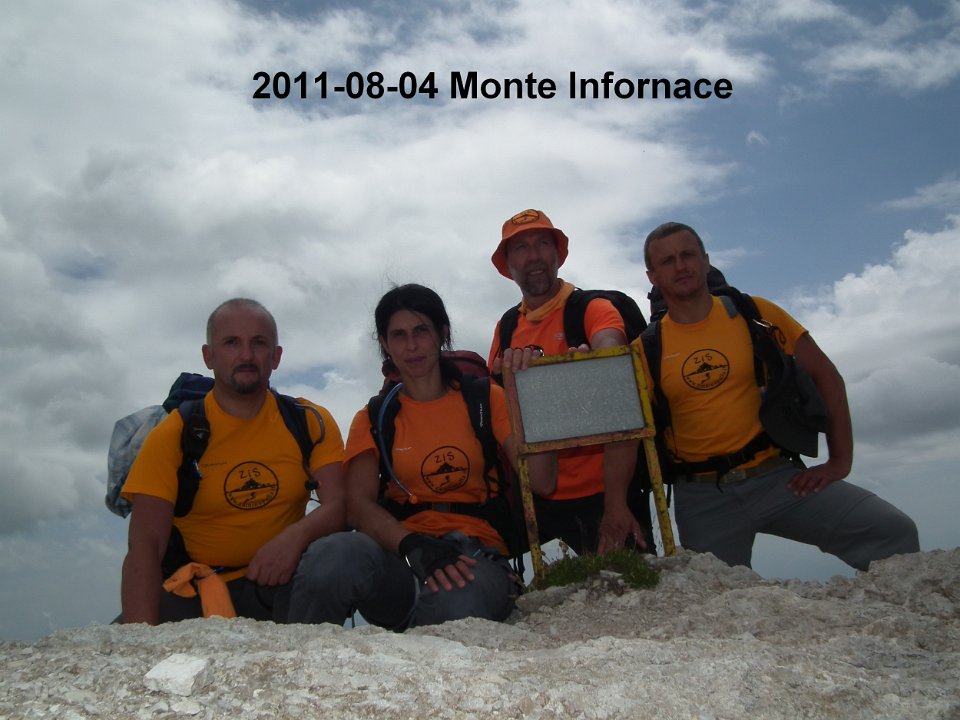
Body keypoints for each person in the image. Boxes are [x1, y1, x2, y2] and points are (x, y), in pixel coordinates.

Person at [633, 222, 919, 570]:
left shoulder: (756, 314)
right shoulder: (645, 350)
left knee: (892, 531)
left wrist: (839, 462)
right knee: (716, 594)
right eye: (667, 261)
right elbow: (628, 433)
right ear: (652, 277)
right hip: (702, 497)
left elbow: (827, 376)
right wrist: (617, 504)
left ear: (705, 261)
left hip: (779, 478)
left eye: (688, 255)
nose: (680, 266)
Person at [287, 284, 524, 629]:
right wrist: (411, 544)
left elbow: (541, 480)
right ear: (385, 344)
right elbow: (358, 506)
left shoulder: (488, 399)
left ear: (442, 334)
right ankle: (303, 654)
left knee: (456, 602)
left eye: (421, 331)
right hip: (402, 557)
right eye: (398, 335)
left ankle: (412, 647)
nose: (411, 346)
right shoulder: (374, 417)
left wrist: (526, 392)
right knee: (331, 555)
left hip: (476, 557)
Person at [120, 298, 346, 624]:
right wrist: (139, 638)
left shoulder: (309, 421)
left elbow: (338, 505)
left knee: (349, 553)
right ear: (208, 356)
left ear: (276, 357)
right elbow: (145, 545)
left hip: (280, 583)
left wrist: (294, 538)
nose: (246, 355)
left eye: (259, 343)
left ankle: (314, 650)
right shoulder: (174, 433)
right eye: (231, 343)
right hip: (196, 589)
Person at [488, 208, 648, 555]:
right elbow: (499, 405)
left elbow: (614, 363)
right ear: (508, 265)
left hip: (607, 494)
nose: (533, 256)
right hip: (538, 494)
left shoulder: (593, 308)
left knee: (629, 580)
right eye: (521, 248)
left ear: (557, 254)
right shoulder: (506, 327)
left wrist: (593, 364)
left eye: (542, 244)